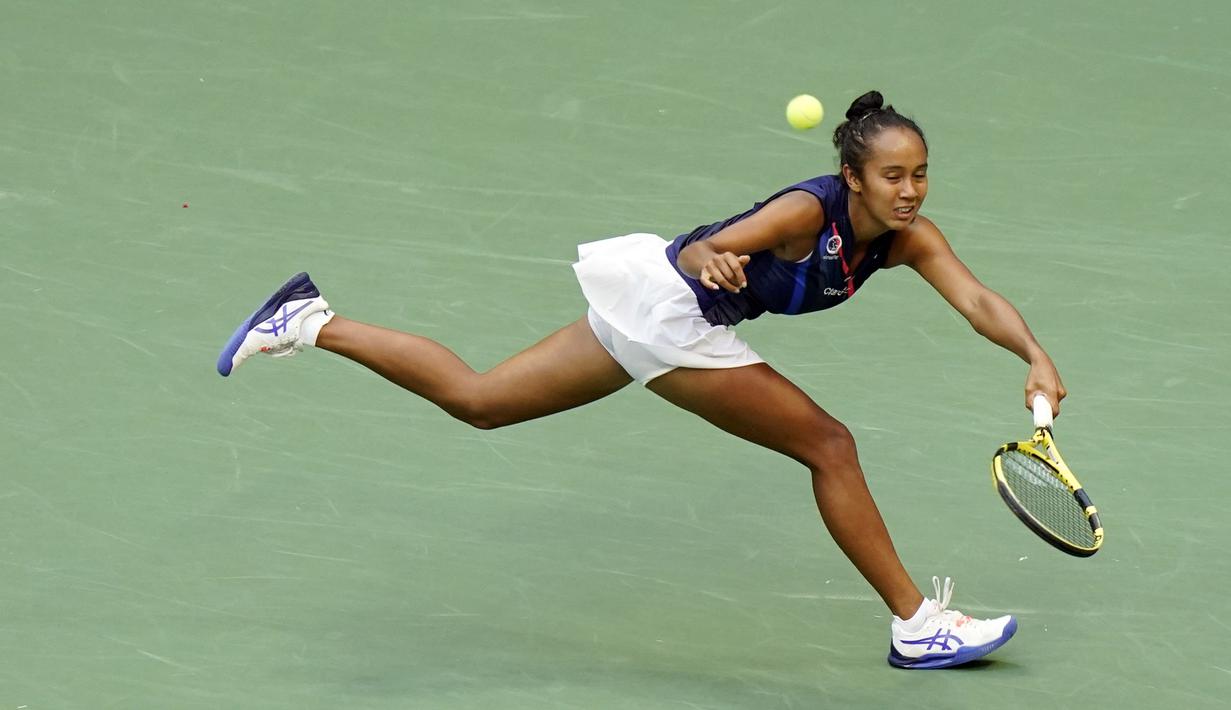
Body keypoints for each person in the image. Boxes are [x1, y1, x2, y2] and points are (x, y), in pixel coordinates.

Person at [216, 90, 1066, 669]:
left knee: (479, 402)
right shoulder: (809, 213)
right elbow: (715, 243)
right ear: (853, 177)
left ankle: (311, 320)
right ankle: (916, 625)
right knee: (829, 445)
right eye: (892, 176)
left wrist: (1031, 353)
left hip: (656, 314)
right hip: (674, 312)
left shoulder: (908, 238)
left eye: (919, 174)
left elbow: (976, 300)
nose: (910, 190)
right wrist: (713, 257)